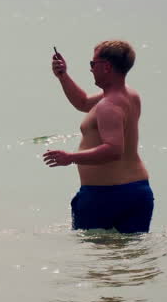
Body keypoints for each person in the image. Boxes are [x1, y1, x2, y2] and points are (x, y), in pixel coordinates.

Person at [44, 40, 153, 233]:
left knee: (96, 258)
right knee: (129, 258)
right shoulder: (130, 95)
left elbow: (113, 150)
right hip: (138, 191)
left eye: (93, 64)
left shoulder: (108, 105)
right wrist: (63, 76)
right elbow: (83, 102)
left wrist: (70, 158)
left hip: (105, 196)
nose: (91, 69)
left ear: (107, 66)